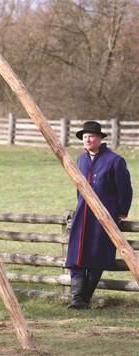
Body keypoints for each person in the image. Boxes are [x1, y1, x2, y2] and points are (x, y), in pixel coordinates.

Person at [65, 121, 133, 309]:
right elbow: (79, 188)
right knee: (76, 255)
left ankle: (84, 299)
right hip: (82, 215)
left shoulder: (114, 160)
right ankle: (76, 298)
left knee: (97, 255)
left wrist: (120, 212)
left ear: (100, 138)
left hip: (104, 217)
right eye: (85, 136)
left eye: (91, 136)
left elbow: (125, 189)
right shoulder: (80, 160)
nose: (87, 139)